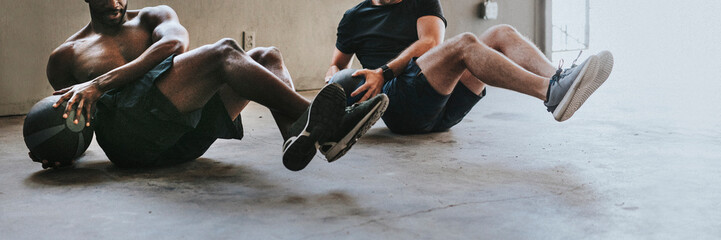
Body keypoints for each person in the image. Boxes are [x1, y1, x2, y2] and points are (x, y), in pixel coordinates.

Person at [31, 0, 388, 171]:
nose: (114, 2)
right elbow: (70, 115)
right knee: (224, 53)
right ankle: (326, 123)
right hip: (133, 144)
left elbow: (174, 46)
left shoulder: (154, 16)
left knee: (267, 55)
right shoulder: (66, 56)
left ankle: (299, 136)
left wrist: (98, 83)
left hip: (185, 139)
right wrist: (57, 149)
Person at [325, 0, 613, 134]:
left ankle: (557, 80)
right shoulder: (354, 18)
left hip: (443, 105)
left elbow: (430, 42)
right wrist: (333, 81)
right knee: (465, 43)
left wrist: (384, 70)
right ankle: (550, 92)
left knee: (501, 33)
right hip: (398, 105)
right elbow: (338, 63)